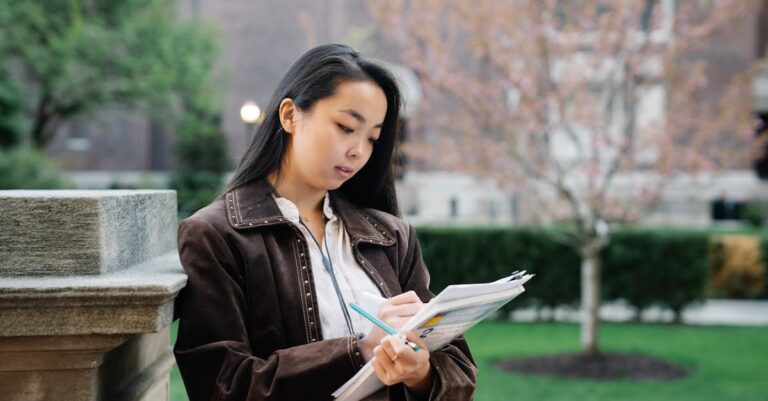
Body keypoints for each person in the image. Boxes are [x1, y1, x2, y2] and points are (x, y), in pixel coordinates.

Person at [173, 44, 477, 401]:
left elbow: (458, 373)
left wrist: (420, 372)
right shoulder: (216, 235)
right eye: (346, 127)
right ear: (289, 115)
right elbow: (221, 385)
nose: (358, 150)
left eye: (372, 139)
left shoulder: (392, 236)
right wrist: (360, 351)